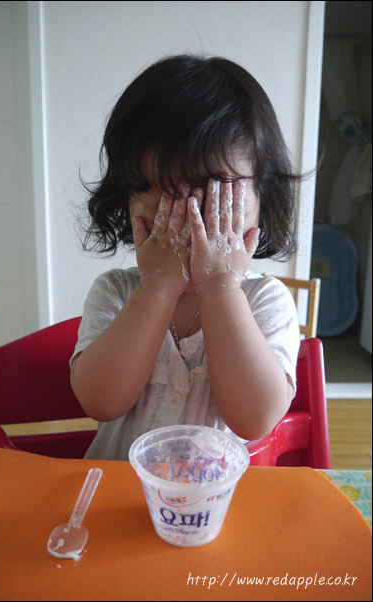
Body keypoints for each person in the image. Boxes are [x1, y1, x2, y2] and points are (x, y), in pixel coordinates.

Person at [70, 54, 301, 461]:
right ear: (128, 202)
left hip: (215, 499)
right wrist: (157, 288)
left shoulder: (266, 301)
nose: (191, 221)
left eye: (216, 199)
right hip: (117, 492)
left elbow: (255, 418)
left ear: (263, 201)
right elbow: (100, 401)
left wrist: (221, 286)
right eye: (167, 202)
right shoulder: (116, 292)